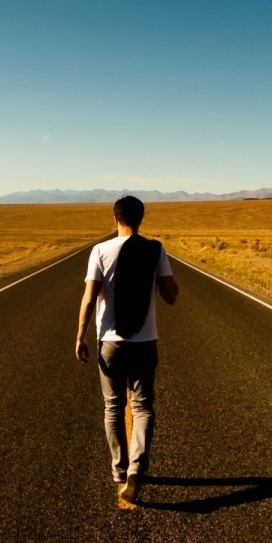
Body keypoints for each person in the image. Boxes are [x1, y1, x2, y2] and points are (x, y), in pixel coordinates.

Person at [75, 195, 180, 507]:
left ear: (114, 218)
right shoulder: (155, 250)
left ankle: (119, 470)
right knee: (143, 407)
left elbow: (89, 298)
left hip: (110, 342)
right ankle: (137, 469)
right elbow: (171, 296)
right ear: (141, 219)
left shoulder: (100, 251)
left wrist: (80, 335)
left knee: (113, 407)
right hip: (145, 342)